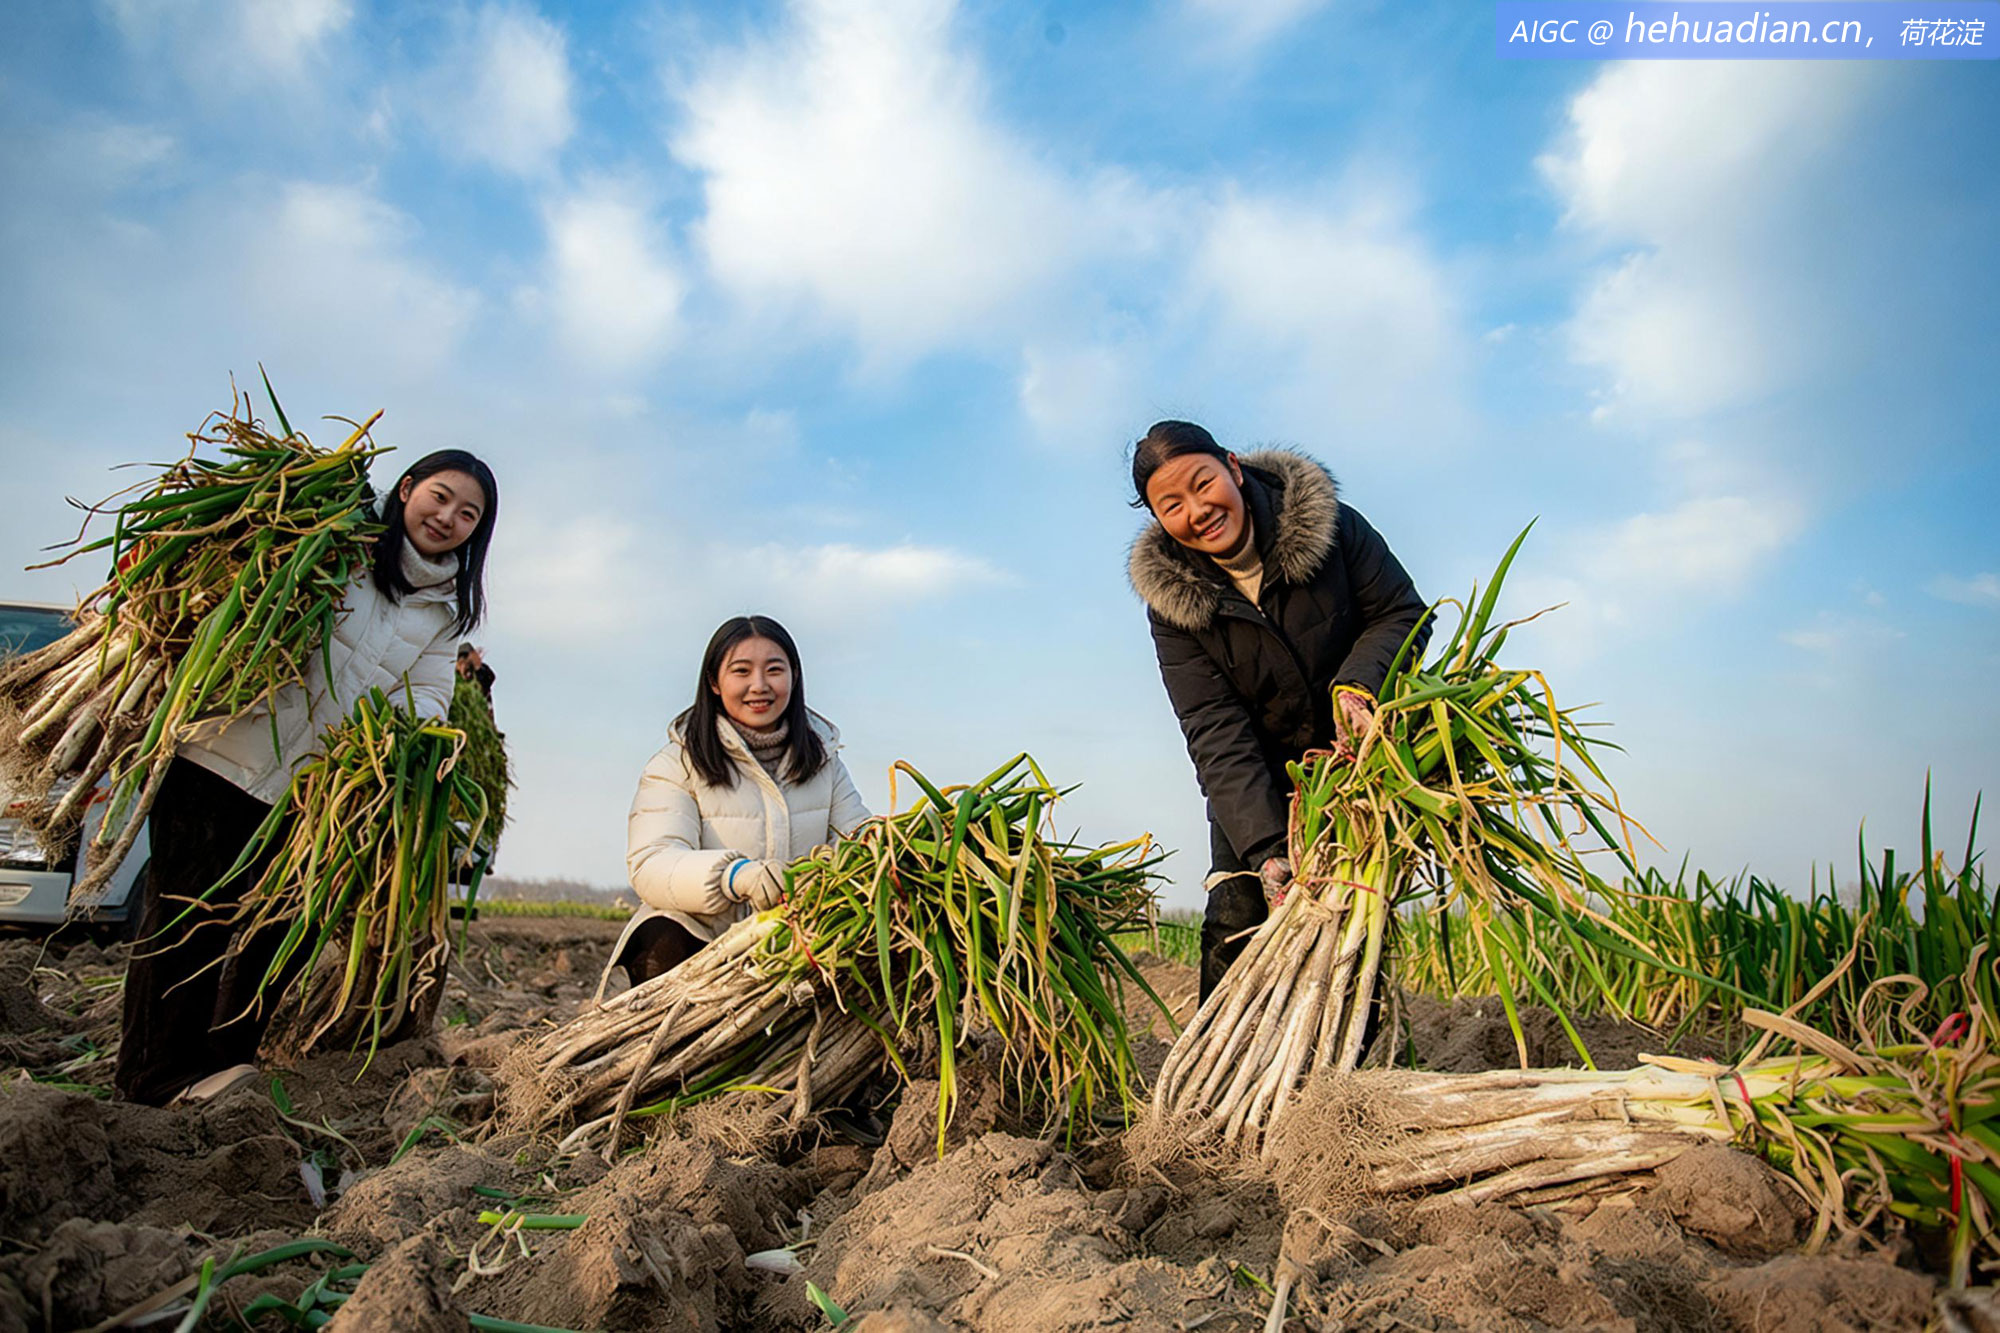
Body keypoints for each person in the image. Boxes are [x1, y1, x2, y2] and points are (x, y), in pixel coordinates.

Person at [114, 450, 500, 1106]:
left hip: (312, 794)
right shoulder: (336, 542)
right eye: (440, 497)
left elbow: (426, 697)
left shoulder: (444, 612)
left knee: (276, 935)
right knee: (186, 920)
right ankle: (151, 1078)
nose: (448, 518)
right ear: (406, 488)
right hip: (222, 756)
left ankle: (224, 1065)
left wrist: (414, 748)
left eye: (468, 514)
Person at [1126, 421, 1429, 1001]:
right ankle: (1220, 1083)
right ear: (1159, 520)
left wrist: (1357, 687)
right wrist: (1267, 848)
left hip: (1355, 762)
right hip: (1256, 779)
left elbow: (1401, 613)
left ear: (1233, 468)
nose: (1199, 509)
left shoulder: (1333, 528)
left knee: (1348, 928)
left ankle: (1339, 1085)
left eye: (1203, 483)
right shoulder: (1174, 603)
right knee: (1234, 917)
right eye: (1173, 505)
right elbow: (1212, 727)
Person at [613, 615, 870, 988]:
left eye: (774, 670)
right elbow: (652, 863)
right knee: (659, 934)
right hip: (705, 942)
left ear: (794, 677)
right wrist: (735, 876)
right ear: (715, 682)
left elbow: (857, 839)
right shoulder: (676, 764)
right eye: (741, 671)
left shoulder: (825, 763)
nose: (759, 686)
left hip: (799, 941)